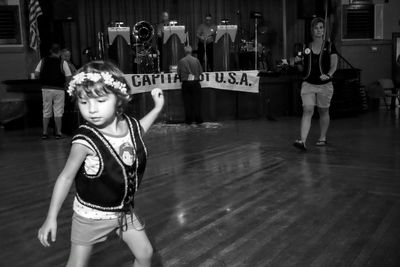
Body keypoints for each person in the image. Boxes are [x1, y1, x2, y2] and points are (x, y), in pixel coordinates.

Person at [37, 61, 164, 267]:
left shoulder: (129, 125)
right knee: (77, 264)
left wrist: (157, 109)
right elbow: (66, 177)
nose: (92, 110)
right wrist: (51, 217)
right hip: (91, 216)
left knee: (146, 254)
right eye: (84, 102)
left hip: (123, 211)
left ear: (119, 99)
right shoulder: (85, 141)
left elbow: (139, 130)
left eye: (101, 100)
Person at [293, 17, 338, 151]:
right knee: (307, 110)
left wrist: (329, 75)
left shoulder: (330, 46)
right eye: (316, 28)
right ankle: (302, 141)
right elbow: (301, 68)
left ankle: (322, 137)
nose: (319, 30)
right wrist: (297, 62)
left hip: (325, 85)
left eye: (321, 27)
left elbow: (334, 65)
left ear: (324, 30)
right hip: (308, 84)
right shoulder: (305, 47)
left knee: (323, 111)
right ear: (312, 30)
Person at [35, 43, 72, 139]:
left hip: (46, 88)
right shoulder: (62, 62)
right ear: (59, 52)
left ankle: (45, 133)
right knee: (58, 111)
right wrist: (65, 84)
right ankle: (58, 133)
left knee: (46, 110)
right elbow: (68, 76)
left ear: (50, 51)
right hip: (59, 89)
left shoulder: (43, 60)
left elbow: (36, 73)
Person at [177, 46, 203, 124]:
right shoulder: (196, 60)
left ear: (185, 52)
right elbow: (201, 72)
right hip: (195, 83)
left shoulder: (181, 61)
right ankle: (198, 120)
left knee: (187, 103)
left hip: (186, 84)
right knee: (196, 102)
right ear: (191, 52)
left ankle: (188, 120)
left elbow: (178, 73)